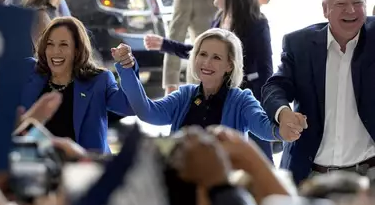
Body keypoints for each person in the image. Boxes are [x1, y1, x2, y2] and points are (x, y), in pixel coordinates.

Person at [145, 0, 274, 161]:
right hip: (218, 97)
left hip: (247, 100)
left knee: (259, 159)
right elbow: (201, 54)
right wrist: (165, 44)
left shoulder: (256, 23)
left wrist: (267, 105)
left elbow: (266, 69)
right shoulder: (218, 20)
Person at [261, 0, 375, 185]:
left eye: (358, 3)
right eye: (341, 4)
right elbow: (275, 86)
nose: (351, 10)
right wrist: (284, 113)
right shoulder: (300, 45)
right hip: (310, 175)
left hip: (368, 177)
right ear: (325, 9)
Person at [121, 28, 297, 144]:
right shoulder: (184, 95)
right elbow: (147, 112)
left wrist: (284, 130)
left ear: (230, 65)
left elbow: (264, 128)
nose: (206, 62)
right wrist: (128, 69)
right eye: (203, 54)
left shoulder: (241, 100)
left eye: (216, 57)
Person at [20, 16, 142, 152]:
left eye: (63, 45)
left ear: (77, 50)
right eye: (50, 44)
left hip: (84, 165)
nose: (55, 51)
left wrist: (127, 67)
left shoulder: (99, 80)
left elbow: (132, 107)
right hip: (34, 163)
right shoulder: (29, 71)